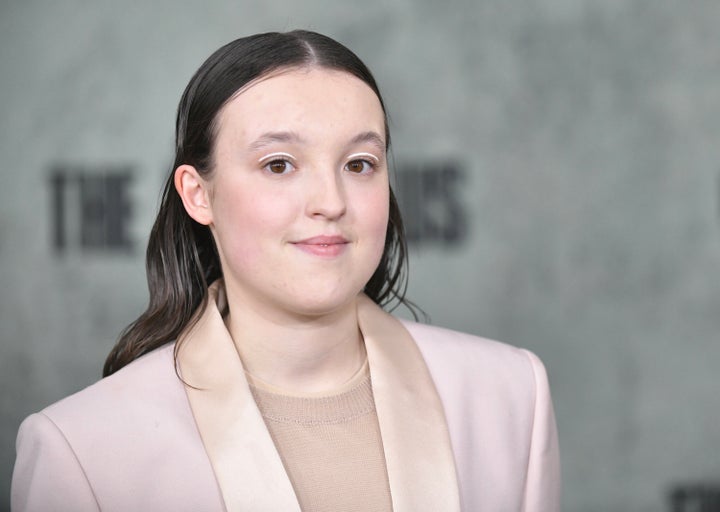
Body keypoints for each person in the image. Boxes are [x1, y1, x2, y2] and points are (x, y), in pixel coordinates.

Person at [11, 30, 560, 511]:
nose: (331, 200)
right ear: (198, 195)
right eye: (279, 164)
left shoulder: (510, 395)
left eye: (359, 164)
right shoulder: (81, 448)